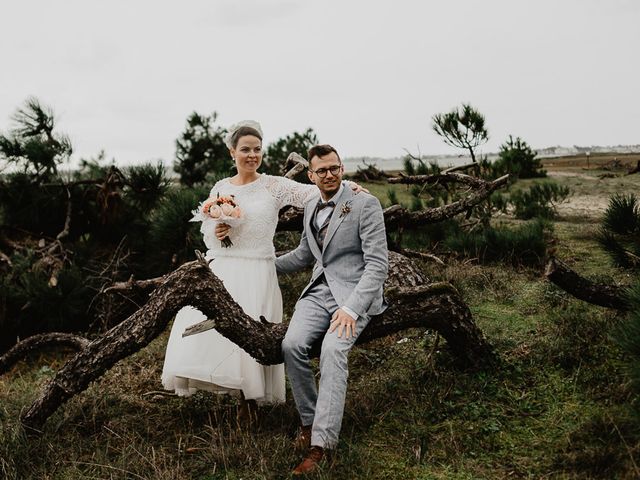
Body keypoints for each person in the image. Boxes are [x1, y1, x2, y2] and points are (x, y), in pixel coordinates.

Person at [161, 121, 363, 422]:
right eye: (246, 150)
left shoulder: (274, 186)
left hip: (257, 270)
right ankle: (231, 393)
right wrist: (217, 229)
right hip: (223, 268)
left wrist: (349, 189)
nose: (252, 155)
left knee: (252, 332)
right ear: (233, 152)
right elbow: (206, 233)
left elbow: (314, 192)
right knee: (219, 333)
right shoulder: (221, 188)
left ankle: (249, 401)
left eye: (257, 149)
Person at [275, 144, 388, 475]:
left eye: (334, 168)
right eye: (322, 171)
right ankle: (309, 421)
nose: (329, 175)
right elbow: (303, 255)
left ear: (342, 168)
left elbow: (377, 266)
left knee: (332, 350)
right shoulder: (310, 205)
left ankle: (321, 445)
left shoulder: (363, 203)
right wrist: (263, 264)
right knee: (291, 345)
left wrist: (352, 310)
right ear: (311, 175)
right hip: (318, 291)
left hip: (355, 293)